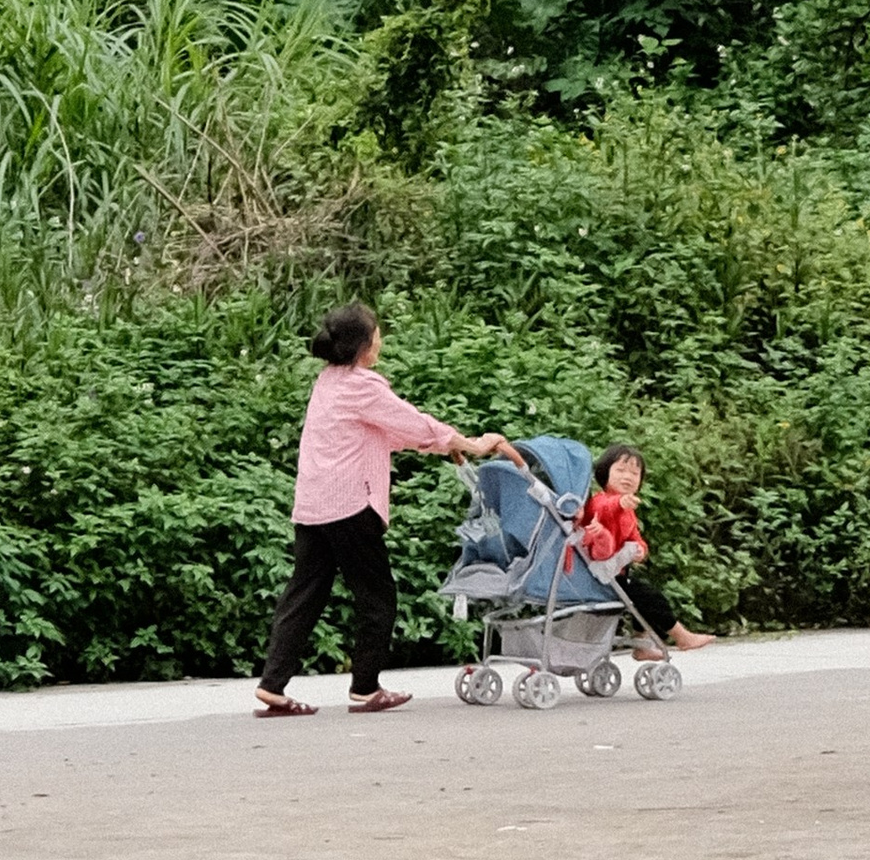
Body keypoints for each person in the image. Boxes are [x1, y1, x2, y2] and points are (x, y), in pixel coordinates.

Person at [256, 303, 523, 716]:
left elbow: (385, 432)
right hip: (349, 505)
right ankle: (365, 687)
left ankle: (273, 685)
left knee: (304, 593)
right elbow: (411, 421)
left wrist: (445, 445)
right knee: (377, 596)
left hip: (313, 504)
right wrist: (469, 444)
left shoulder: (328, 382)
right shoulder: (364, 385)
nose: (381, 340)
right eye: (377, 333)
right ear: (364, 345)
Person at [575, 445, 713, 655]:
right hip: (599, 576)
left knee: (645, 597)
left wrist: (640, 550)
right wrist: (620, 502)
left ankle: (642, 643)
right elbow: (604, 508)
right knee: (651, 598)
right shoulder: (599, 501)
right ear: (605, 473)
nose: (628, 477)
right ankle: (682, 637)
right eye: (621, 470)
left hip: (617, 575)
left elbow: (636, 539)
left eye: (634, 473)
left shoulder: (629, 512)